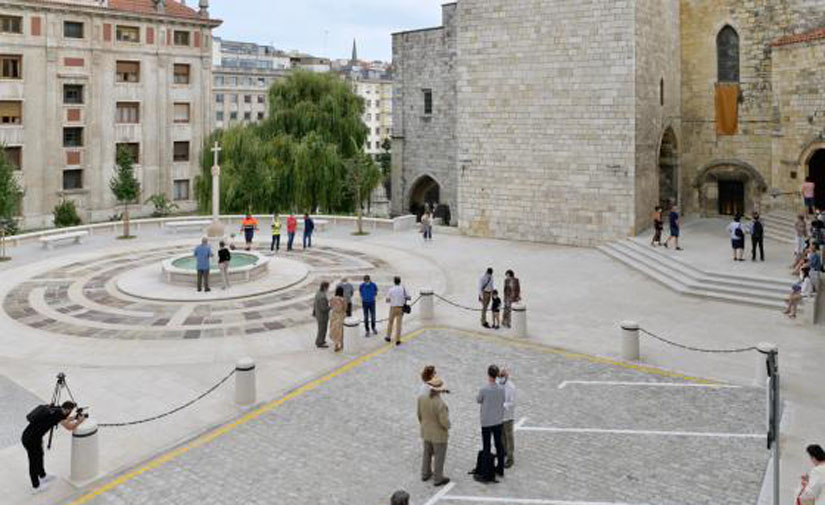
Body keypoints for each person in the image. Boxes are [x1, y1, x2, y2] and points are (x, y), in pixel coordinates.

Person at [22, 401, 85, 493]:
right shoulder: (58, 415)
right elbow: (69, 427)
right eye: (71, 411)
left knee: (40, 455)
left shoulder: (57, 410)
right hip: (30, 440)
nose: (71, 412)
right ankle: (35, 486)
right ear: (67, 410)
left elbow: (64, 420)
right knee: (33, 461)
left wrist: (75, 418)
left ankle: (43, 476)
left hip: (35, 437)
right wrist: (79, 422)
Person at [417, 376, 451, 487]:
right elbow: (444, 422)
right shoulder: (440, 404)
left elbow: (419, 415)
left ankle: (425, 473)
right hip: (439, 435)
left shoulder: (421, 398)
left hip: (426, 432)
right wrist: (448, 426)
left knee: (427, 453)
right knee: (439, 456)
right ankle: (438, 478)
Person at [476, 364, 506, 480]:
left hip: (487, 421)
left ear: (488, 375)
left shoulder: (484, 389)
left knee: (487, 445)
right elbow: (503, 399)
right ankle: (500, 468)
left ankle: (486, 471)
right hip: (498, 420)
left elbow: (478, 400)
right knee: (499, 444)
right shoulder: (501, 389)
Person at [499, 368, 516, 469]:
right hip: (499, 415)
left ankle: (510, 458)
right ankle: (504, 451)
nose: (500, 379)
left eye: (502, 377)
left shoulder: (511, 387)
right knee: (501, 435)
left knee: (509, 436)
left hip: (508, 416)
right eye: (499, 377)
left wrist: (503, 404)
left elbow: (512, 402)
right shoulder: (498, 384)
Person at [385, 276, 410, 346]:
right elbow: (409, 297)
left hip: (393, 308)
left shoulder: (391, 289)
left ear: (394, 281)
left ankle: (388, 337)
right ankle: (398, 340)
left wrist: (393, 299)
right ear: (400, 281)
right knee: (399, 325)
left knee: (390, 323)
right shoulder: (403, 289)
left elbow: (387, 300)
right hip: (401, 308)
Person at [313, 281, 330, 348]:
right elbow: (324, 309)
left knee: (321, 329)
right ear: (325, 287)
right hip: (322, 316)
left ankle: (321, 340)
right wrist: (331, 306)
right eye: (328, 287)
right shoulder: (322, 296)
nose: (328, 288)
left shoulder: (318, 293)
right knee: (322, 329)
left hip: (318, 314)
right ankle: (320, 342)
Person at [329, 286, 346, 353]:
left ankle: (336, 345)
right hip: (340, 316)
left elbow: (330, 306)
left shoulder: (332, 299)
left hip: (333, 315)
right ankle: (341, 345)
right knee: (341, 331)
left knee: (334, 330)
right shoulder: (343, 299)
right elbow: (345, 308)